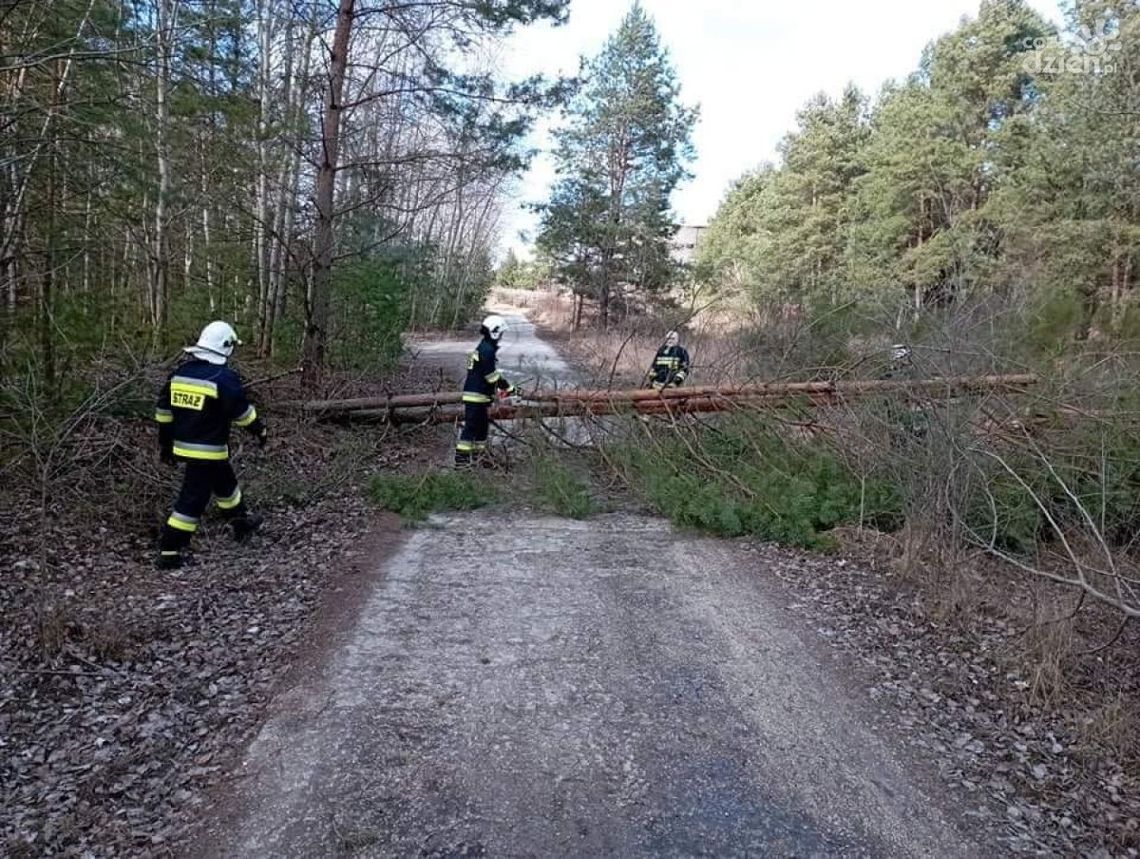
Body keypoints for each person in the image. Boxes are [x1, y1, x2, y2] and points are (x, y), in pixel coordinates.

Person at [154, 321, 267, 569]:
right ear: (225, 348)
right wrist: (259, 430)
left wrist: (165, 444)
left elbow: (163, 412)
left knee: (226, 484)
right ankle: (169, 550)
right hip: (208, 450)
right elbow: (242, 412)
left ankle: (240, 522)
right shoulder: (223, 378)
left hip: (184, 446)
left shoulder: (179, 374)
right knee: (192, 500)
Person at [456, 314, 519, 467]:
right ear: (495, 332)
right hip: (476, 396)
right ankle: (461, 462)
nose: (501, 337)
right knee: (471, 428)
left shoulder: (485, 347)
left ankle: (481, 459)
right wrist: (508, 388)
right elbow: (491, 376)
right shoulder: (487, 350)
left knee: (482, 429)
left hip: (481, 396)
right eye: (501, 333)